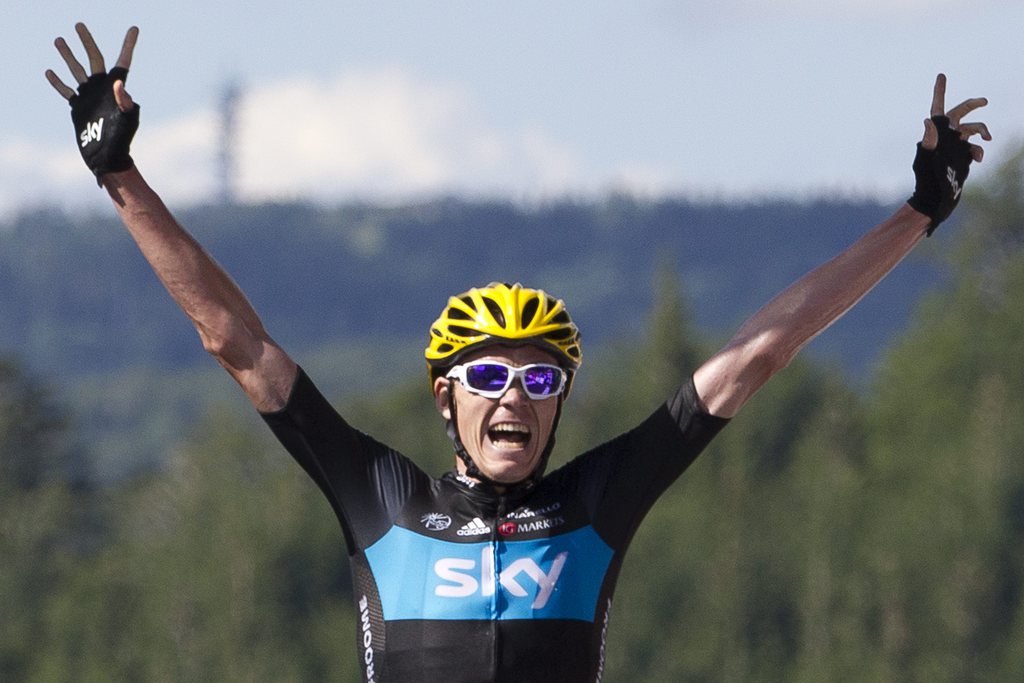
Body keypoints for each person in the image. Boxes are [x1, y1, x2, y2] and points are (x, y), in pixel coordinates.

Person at [47, 23, 990, 683]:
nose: (517, 397)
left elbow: (760, 352)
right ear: (444, 397)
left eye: (541, 378)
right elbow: (233, 341)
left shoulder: (595, 500)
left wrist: (918, 214)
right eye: (489, 376)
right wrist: (120, 175)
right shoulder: (383, 499)